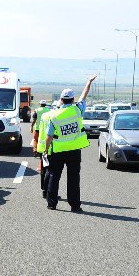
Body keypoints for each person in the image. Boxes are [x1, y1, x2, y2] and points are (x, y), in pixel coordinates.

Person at [45, 75, 98, 212]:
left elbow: (49, 136)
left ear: (61, 100)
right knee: (74, 179)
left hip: (58, 151)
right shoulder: (77, 110)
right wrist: (89, 82)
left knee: (53, 176)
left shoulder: (54, 115)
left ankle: (52, 203)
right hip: (74, 151)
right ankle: (75, 205)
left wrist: (45, 150)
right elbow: (84, 97)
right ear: (72, 99)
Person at [32, 100, 52, 198]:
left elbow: (34, 119)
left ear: (40, 104)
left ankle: (44, 190)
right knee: (50, 170)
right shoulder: (50, 112)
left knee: (44, 170)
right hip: (50, 147)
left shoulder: (37, 110)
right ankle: (48, 191)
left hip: (40, 144)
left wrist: (32, 126)